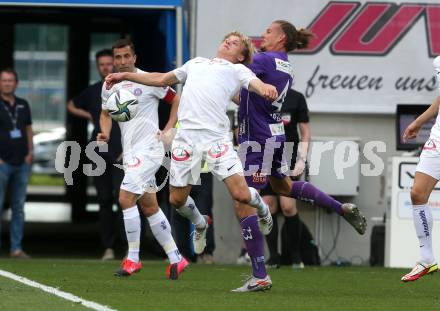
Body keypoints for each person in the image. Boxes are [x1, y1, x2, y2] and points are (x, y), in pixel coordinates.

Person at [105, 31, 278, 291]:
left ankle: (262, 210)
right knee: (176, 200)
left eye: (235, 43)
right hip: (185, 141)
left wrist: (265, 88)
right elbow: (161, 79)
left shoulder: (237, 71)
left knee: (242, 195)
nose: (228, 42)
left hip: (216, 140)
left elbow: (254, 84)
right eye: (227, 39)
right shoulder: (195, 63)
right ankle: (200, 223)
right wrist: (125, 75)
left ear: (241, 55)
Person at [236, 20, 367, 288]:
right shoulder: (283, 63)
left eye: (269, 31)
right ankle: (339, 207)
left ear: (282, 37)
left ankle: (260, 275)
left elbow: (234, 73)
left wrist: (214, 64)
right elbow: (250, 95)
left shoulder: (265, 59)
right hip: (274, 136)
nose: (264, 34)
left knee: (244, 201)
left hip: (258, 140)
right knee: (283, 186)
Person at [97, 38, 187, 280]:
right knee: (149, 206)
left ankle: (133, 258)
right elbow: (105, 113)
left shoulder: (150, 80)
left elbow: (176, 100)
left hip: (151, 149)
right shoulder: (109, 85)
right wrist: (105, 132)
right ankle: (176, 257)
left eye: (127, 56)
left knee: (125, 197)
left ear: (134, 58)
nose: (122, 61)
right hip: (131, 153)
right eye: (118, 57)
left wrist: (169, 128)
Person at [67, 49, 124, 261]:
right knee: (103, 199)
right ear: (98, 66)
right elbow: (70, 105)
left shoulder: (125, 89)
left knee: (125, 199)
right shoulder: (92, 91)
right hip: (99, 151)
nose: (106, 67)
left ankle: (129, 246)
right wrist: (91, 116)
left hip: (122, 153)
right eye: (102, 64)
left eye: (110, 63)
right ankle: (108, 247)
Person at [400, 56, 440, 282]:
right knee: (417, 194)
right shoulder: (439, 62)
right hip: (438, 138)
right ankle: (427, 258)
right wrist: (419, 122)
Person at [261, 88, 310, 269]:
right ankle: (274, 256)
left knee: (288, 206)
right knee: (268, 205)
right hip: (266, 154)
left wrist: (302, 159)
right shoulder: (261, 93)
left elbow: (305, 133)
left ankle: (296, 257)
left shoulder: (296, 98)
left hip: (289, 155)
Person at [0, 68, 33, 259]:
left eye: (10, 80)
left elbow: (28, 128)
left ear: (16, 83)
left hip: (22, 162)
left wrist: (31, 152)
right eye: (4, 80)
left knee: (18, 207)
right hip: (2, 163)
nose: (7, 83)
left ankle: (16, 248)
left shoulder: (23, 104)